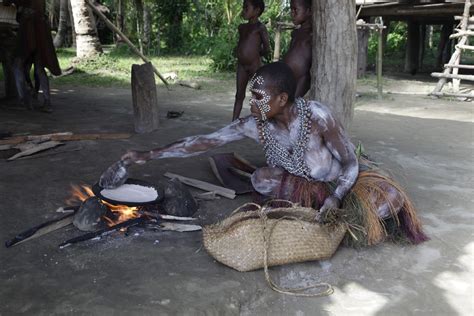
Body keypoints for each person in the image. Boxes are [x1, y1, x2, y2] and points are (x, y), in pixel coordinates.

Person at [100, 62, 427, 247]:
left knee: (390, 200)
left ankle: (332, 211)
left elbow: (350, 162)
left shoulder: (318, 117)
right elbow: (204, 141)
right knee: (260, 178)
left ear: (282, 99)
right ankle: (314, 208)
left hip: (341, 183)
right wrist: (148, 155)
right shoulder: (255, 124)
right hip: (302, 184)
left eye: (259, 97)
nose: (252, 103)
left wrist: (338, 196)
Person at [3, 0, 61, 112]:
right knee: (40, 68)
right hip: (41, 30)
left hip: (29, 28)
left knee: (17, 66)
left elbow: (6, 2)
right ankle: (47, 101)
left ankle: (23, 100)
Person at [232, 0, 270, 121]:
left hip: (255, 66)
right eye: (243, 8)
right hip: (242, 66)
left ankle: (261, 122)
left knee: (258, 95)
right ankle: (233, 122)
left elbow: (267, 48)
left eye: (246, 8)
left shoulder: (260, 28)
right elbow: (241, 45)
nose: (243, 10)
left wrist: (255, 55)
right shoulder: (242, 28)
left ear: (257, 10)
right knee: (239, 95)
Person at [283, 0, 312, 98]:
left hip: (302, 78)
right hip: (288, 77)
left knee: (293, 104)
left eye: (295, 9)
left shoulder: (312, 34)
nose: (292, 13)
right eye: (291, 9)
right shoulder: (296, 33)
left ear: (309, 11)